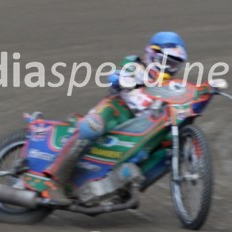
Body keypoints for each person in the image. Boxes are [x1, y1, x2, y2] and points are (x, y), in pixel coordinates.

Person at [42, 31, 188, 193]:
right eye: (166, 62)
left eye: (174, 65)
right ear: (153, 54)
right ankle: (56, 173)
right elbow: (119, 74)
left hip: (143, 126)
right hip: (116, 111)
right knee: (91, 126)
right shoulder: (136, 65)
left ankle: (127, 185)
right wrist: (120, 78)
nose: (169, 69)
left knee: (171, 147)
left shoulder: (170, 85)